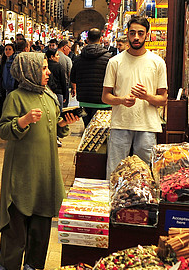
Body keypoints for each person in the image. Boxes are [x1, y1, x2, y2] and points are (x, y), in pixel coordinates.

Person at [0, 52, 80, 270]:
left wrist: (63, 123)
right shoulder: (15, 97)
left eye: (46, 68)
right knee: (17, 217)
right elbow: (2, 130)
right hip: (22, 167)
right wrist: (22, 121)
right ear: (29, 71)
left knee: (42, 217)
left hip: (46, 167)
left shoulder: (50, 96)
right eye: (43, 68)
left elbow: (54, 129)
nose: (48, 72)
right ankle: (5, 263)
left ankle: (32, 263)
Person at [102, 15, 167, 178]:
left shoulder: (157, 62)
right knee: (114, 174)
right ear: (127, 34)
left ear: (147, 34)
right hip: (120, 125)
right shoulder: (115, 62)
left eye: (140, 33)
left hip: (147, 127)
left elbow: (163, 99)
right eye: (132, 33)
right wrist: (122, 100)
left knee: (146, 176)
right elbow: (105, 97)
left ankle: (145, 205)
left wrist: (146, 96)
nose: (136, 37)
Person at [70, 28, 111, 127]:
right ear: (101, 39)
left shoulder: (78, 59)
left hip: (84, 102)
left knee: (87, 132)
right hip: (104, 103)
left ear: (87, 40)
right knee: (101, 135)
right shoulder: (109, 58)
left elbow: (73, 78)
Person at [0, 43, 15, 125]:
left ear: (13, 51)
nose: (7, 51)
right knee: (0, 105)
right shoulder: (2, 62)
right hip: (2, 87)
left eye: (10, 49)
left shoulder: (14, 62)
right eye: (6, 49)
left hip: (11, 87)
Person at [45, 47, 68, 111]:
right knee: (58, 114)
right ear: (52, 57)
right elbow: (63, 81)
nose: (59, 57)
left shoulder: (45, 66)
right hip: (58, 93)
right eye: (57, 55)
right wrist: (65, 95)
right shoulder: (59, 66)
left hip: (47, 93)